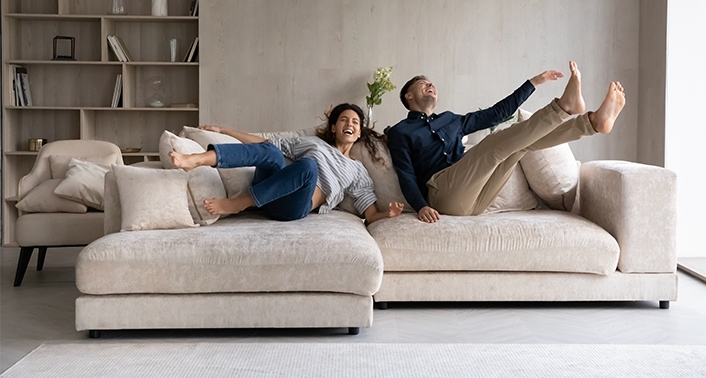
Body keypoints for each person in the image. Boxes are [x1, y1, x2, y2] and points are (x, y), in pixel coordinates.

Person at [387, 61, 625, 223]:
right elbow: (406, 175)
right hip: (444, 195)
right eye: (422, 84)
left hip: (476, 202)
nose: (430, 85)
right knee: (493, 146)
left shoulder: (451, 120)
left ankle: (592, 123)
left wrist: (533, 83)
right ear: (408, 96)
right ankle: (563, 109)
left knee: (519, 146)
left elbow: (496, 113)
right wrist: (421, 206)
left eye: (432, 84)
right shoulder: (401, 132)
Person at [169, 103, 405, 223]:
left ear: (359, 132)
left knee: (308, 167)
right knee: (272, 151)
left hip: (294, 207)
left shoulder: (357, 169)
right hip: (272, 189)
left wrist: (389, 214)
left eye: (354, 121)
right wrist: (224, 130)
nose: (349, 124)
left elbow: (371, 214)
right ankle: (197, 159)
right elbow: (265, 143)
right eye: (343, 119)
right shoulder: (313, 143)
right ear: (334, 127)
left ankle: (240, 203)